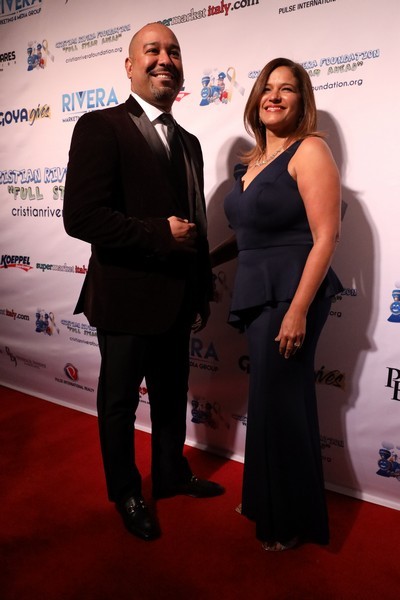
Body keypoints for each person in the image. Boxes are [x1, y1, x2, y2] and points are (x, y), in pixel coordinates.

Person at [63, 22, 224, 542]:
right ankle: (127, 491)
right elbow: (81, 217)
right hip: (125, 299)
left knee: (172, 396)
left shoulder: (191, 143)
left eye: (173, 52)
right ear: (130, 66)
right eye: (152, 50)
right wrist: (158, 233)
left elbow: (196, 220)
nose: (164, 59)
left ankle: (171, 473)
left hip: (178, 300)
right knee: (119, 404)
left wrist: (199, 287)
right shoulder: (100, 126)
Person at [211, 58, 343, 551]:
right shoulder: (250, 164)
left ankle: (288, 521)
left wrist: (297, 310)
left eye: (287, 89)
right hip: (257, 291)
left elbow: (326, 236)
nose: (274, 96)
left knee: (282, 404)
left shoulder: (310, 150)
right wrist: (205, 261)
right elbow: (247, 234)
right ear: (255, 99)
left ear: (301, 102)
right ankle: (267, 501)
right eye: (267, 87)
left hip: (291, 292)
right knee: (269, 401)